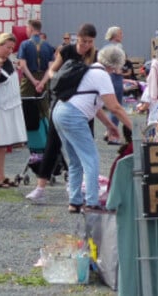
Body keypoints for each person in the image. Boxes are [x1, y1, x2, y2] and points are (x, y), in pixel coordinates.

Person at [51, 45, 133, 211]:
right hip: (74, 116)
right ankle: (91, 202)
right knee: (91, 159)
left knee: (75, 161)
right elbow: (115, 107)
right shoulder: (102, 75)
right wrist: (133, 128)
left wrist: (110, 125)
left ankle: (75, 201)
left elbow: (94, 106)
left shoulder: (90, 69)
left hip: (60, 111)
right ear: (116, 64)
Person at [26, 23, 98, 203]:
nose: (86, 45)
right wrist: (57, 78)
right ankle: (40, 187)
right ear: (77, 38)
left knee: (84, 149)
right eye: (83, 41)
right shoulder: (67, 51)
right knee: (52, 144)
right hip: (63, 102)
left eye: (89, 42)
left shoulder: (94, 56)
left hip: (83, 107)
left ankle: (80, 187)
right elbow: (52, 70)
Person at [0, 32, 27, 188]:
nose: (10, 51)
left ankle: (1, 175)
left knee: (3, 145)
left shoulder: (9, 62)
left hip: (8, 108)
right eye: (8, 47)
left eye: (12, 48)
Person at [16, 19, 55, 120]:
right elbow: (51, 68)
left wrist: (34, 81)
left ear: (31, 29)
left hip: (28, 80)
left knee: (24, 105)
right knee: (44, 108)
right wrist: (42, 83)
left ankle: (26, 128)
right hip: (44, 79)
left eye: (27, 29)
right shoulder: (48, 46)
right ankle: (45, 128)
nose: (26, 31)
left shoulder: (24, 44)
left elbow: (23, 66)